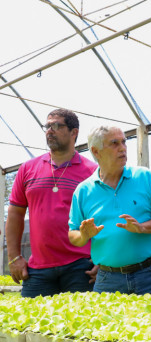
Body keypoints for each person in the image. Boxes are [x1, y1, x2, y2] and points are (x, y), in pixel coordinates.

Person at [68, 126, 151, 299]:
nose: (122, 148)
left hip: (149, 275)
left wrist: (142, 228)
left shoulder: (144, 177)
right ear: (96, 151)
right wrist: (84, 235)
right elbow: (73, 234)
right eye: (114, 143)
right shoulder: (83, 191)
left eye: (124, 142)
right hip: (107, 280)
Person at [6, 108, 98, 297]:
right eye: (47, 126)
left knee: (82, 316)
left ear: (74, 132)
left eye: (56, 126)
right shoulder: (27, 169)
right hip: (37, 269)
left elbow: (105, 217)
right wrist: (14, 257)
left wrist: (103, 260)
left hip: (81, 267)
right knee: (31, 316)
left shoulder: (92, 172)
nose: (49, 130)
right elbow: (15, 214)